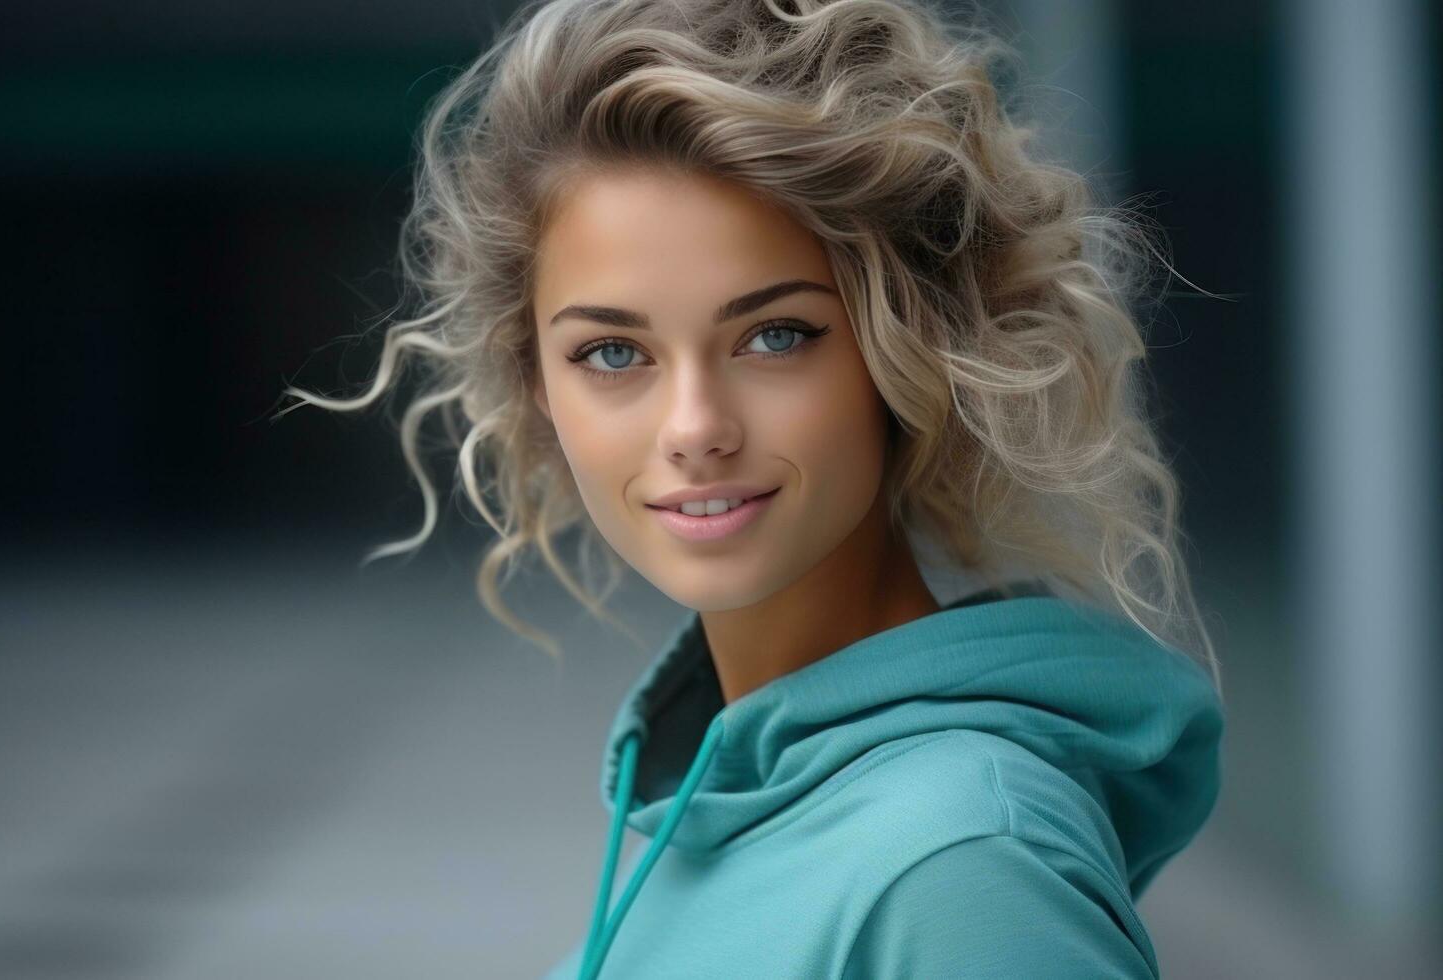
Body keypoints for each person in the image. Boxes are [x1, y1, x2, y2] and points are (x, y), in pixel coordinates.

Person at [278, 1, 1227, 976]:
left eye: (776, 335)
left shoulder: (962, 867)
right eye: (612, 351)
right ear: (537, 385)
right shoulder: (711, 794)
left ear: (912, 350)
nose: (694, 427)